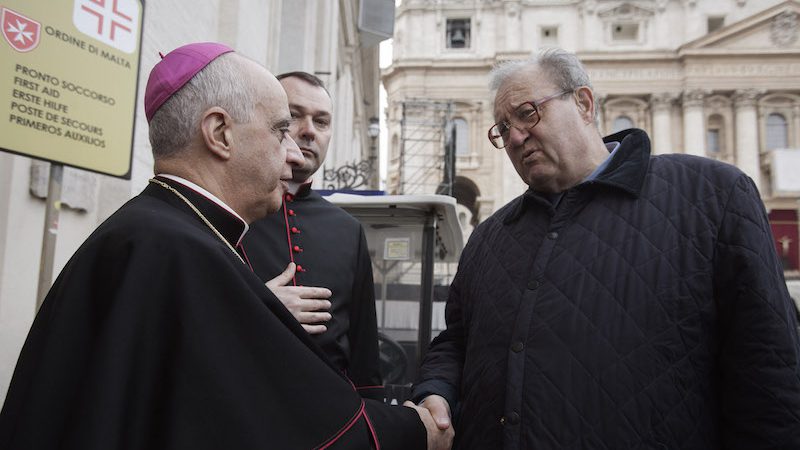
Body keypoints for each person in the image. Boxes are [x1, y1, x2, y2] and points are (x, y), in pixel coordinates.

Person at [0, 42, 452, 450]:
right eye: (280, 130)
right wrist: (414, 431)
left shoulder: (159, 233)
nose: (293, 153)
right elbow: (267, 425)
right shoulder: (178, 251)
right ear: (219, 133)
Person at [412, 48, 800, 449]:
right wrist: (435, 390)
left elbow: (770, 377)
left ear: (583, 103)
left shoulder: (712, 196)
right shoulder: (489, 236)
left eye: (527, 113)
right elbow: (457, 340)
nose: (515, 137)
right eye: (502, 128)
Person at [243, 71, 383, 400]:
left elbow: (364, 350)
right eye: (294, 116)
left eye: (321, 122)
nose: (308, 131)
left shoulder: (348, 229)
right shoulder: (232, 209)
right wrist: (260, 307)